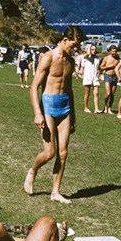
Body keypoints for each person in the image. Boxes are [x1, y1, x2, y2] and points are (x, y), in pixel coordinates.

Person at [24, 24, 87, 203]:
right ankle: (33, 171)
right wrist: (37, 113)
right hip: (48, 105)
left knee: (63, 153)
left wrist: (73, 115)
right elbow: (34, 87)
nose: (75, 50)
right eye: (73, 45)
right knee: (50, 152)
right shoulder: (48, 58)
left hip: (65, 106)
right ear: (65, 40)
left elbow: (69, 89)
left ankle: (55, 192)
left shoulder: (71, 62)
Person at [78, 43, 102, 113]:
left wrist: (98, 75)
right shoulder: (86, 57)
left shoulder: (97, 58)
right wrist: (88, 49)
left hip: (95, 77)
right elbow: (86, 56)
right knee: (87, 93)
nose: (94, 51)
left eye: (95, 49)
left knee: (96, 93)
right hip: (88, 77)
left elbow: (99, 68)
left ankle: (96, 108)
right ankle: (86, 107)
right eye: (92, 49)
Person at [98, 44, 120, 115]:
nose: (114, 53)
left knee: (112, 94)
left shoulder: (117, 58)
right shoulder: (106, 58)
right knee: (108, 93)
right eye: (113, 51)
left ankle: (109, 108)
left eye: (115, 51)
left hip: (115, 76)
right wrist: (109, 66)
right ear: (110, 51)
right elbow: (101, 67)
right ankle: (105, 106)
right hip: (107, 76)